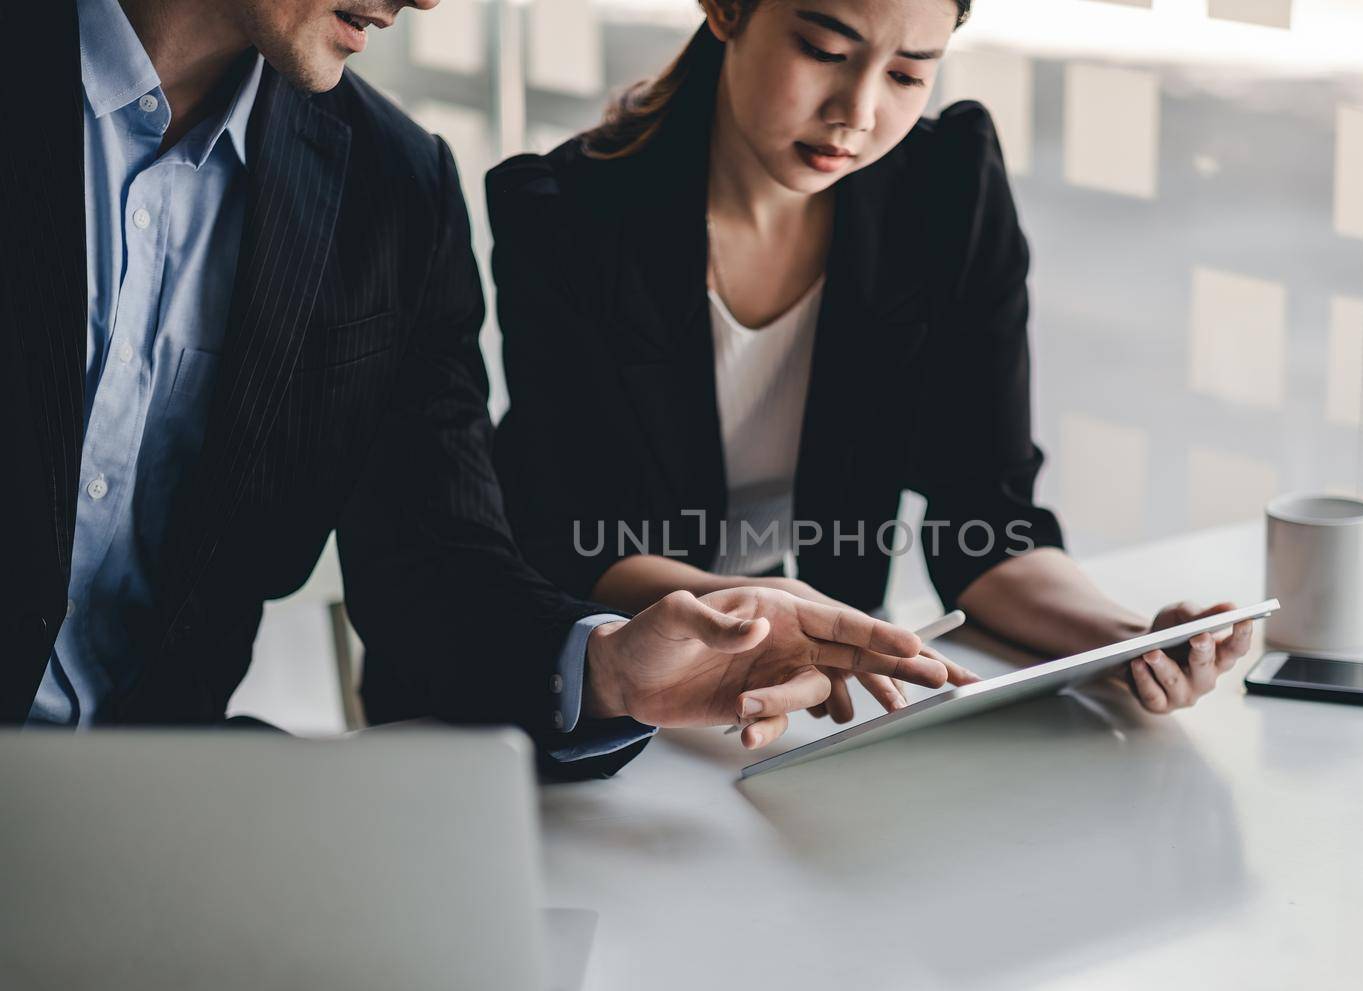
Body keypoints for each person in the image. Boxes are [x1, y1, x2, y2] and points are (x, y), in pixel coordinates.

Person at [0, 0, 947, 779]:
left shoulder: (392, 187)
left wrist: (609, 666)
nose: (426, 0)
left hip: (154, 816)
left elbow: (434, 558)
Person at [486, 0, 1254, 728]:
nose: (856, 112)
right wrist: (761, 608)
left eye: (908, 73)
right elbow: (572, 536)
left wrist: (1125, 640)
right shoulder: (566, 216)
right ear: (724, 8)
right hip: (593, 692)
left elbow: (984, 521)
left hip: (803, 694)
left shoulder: (945, 189)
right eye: (824, 51)